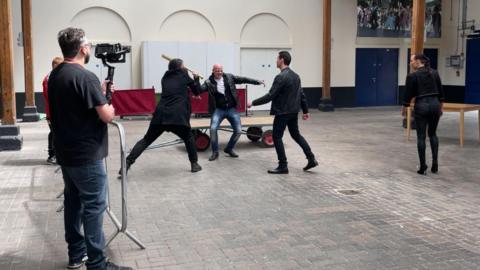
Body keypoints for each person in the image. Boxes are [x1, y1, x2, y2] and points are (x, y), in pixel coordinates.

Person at [48, 27, 132, 270]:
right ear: (83, 48)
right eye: (89, 45)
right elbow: (106, 115)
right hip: (87, 156)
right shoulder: (86, 77)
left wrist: (100, 93)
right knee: (94, 207)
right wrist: (107, 102)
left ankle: (76, 255)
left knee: (74, 203)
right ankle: (97, 264)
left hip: (67, 153)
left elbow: (75, 104)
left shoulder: (57, 74)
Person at [124, 58, 202, 174]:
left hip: (161, 115)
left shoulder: (165, 78)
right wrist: (196, 78)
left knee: (146, 140)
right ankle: (194, 164)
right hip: (177, 116)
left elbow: (179, 87)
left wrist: (186, 74)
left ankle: (127, 163)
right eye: (183, 65)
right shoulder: (184, 76)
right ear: (179, 68)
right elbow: (197, 91)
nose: (185, 67)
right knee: (189, 138)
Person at [247, 51, 318, 174]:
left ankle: (283, 165)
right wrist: (305, 110)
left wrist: (253, 103)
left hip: (282, 112)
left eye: (277, 58)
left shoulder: (280, 77)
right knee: (296, 135)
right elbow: (301, 94)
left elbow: (270, 95)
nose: (276, 61)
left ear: (282, 60)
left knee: (276, 137)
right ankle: (311, 158)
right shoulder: (296, 76)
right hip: (293, 111)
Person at [200, 64, 264, 161]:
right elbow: (198, 90)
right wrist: (196, 79)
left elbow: (243, 79)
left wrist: (257, 82)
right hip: (218, 110)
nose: (219, 72)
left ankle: (229, 149)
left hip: (231, 109)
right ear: (213, 71)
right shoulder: (209, 82)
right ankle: (215, 152)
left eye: (221, 70)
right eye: (217, 70)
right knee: (213, 129)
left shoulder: (229, 77)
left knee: (238, 131)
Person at [402, 54, 444, 175]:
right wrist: (440, 108)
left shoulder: (412, 76)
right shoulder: (435, 73)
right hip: (435, 105)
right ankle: (435, 164)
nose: (410, 63)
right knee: (433, 134)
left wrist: (404, 108)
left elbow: (407, 95)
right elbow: (441, 94)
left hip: (421, 106)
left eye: (411, 61)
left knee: (421, 136)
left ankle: (423, 166)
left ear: (418, 61)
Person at [42, 56, 63, 164]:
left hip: (60, 112)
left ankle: (58, 154)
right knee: (54, 132)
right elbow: (49, 96)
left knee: (58, 132)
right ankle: (52, 155)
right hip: (52, 112)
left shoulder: (59, 77)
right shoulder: (48, 79)